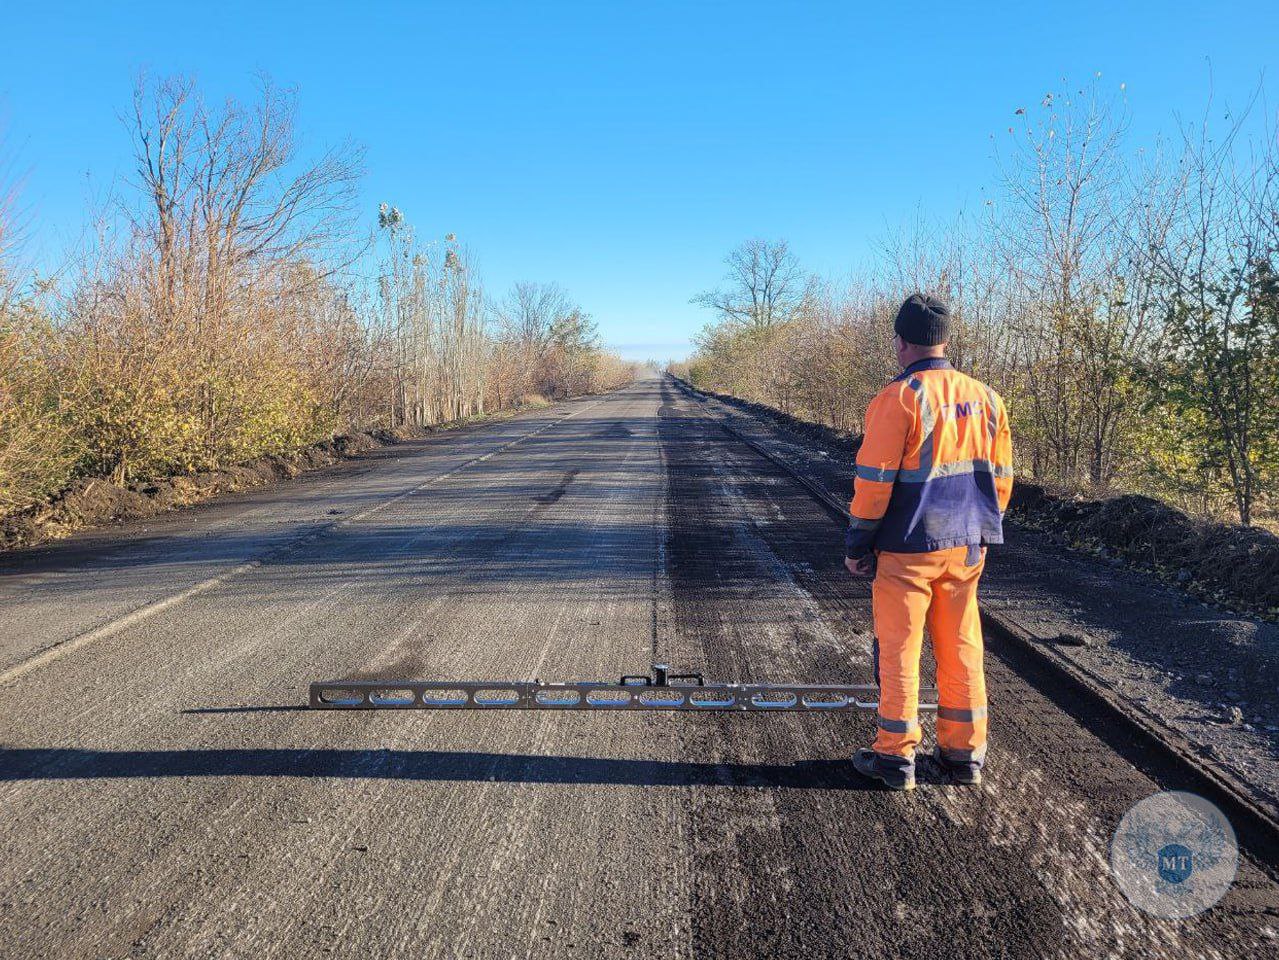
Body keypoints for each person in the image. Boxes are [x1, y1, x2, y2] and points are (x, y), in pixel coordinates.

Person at [844, 293, 1013, 791]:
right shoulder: (986, 396)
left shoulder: (898, 398)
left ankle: (896, 758)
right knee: (961, 643)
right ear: (946, 339)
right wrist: (982, 530)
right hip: (966, 547)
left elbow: (874, 483)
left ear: (900, 342)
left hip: (906, 550)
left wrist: (858, 544)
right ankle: (964, 757)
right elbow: (1001, 477)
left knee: (900, 648)